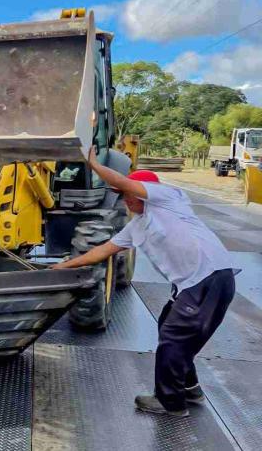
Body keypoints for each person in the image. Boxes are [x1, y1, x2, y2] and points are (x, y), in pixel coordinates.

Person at [51, 147, 236, 417]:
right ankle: (189, 387)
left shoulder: (168, 198)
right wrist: (62, 266)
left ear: (141, 191)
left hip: (207, 278)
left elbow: (122, 181)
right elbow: (100, 251)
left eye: (127, 195)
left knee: (173, 339)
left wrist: (92, 163)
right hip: (196, 283)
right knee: (168, 324)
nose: (125, 200)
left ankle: (170, 402)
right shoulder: (136, 226)